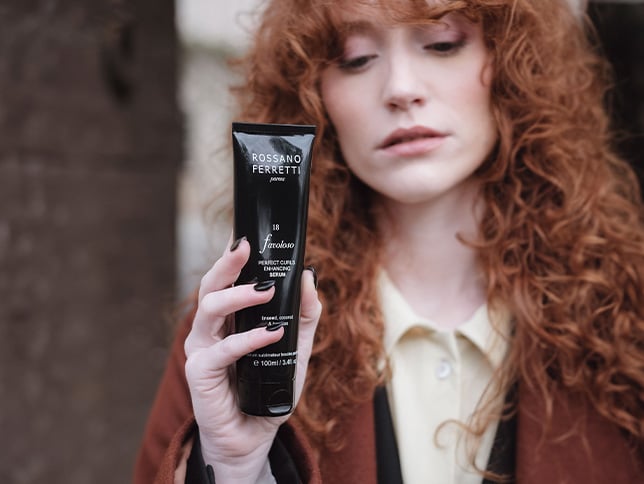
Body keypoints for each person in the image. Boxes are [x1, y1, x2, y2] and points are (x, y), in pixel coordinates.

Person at [134, 0, 644, 482]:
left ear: (511, 63)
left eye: (443, 44)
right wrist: (234, 467)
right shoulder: (234, 336)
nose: (401, 88)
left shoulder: (628, 310)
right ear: (314, 92)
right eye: (356, 59)